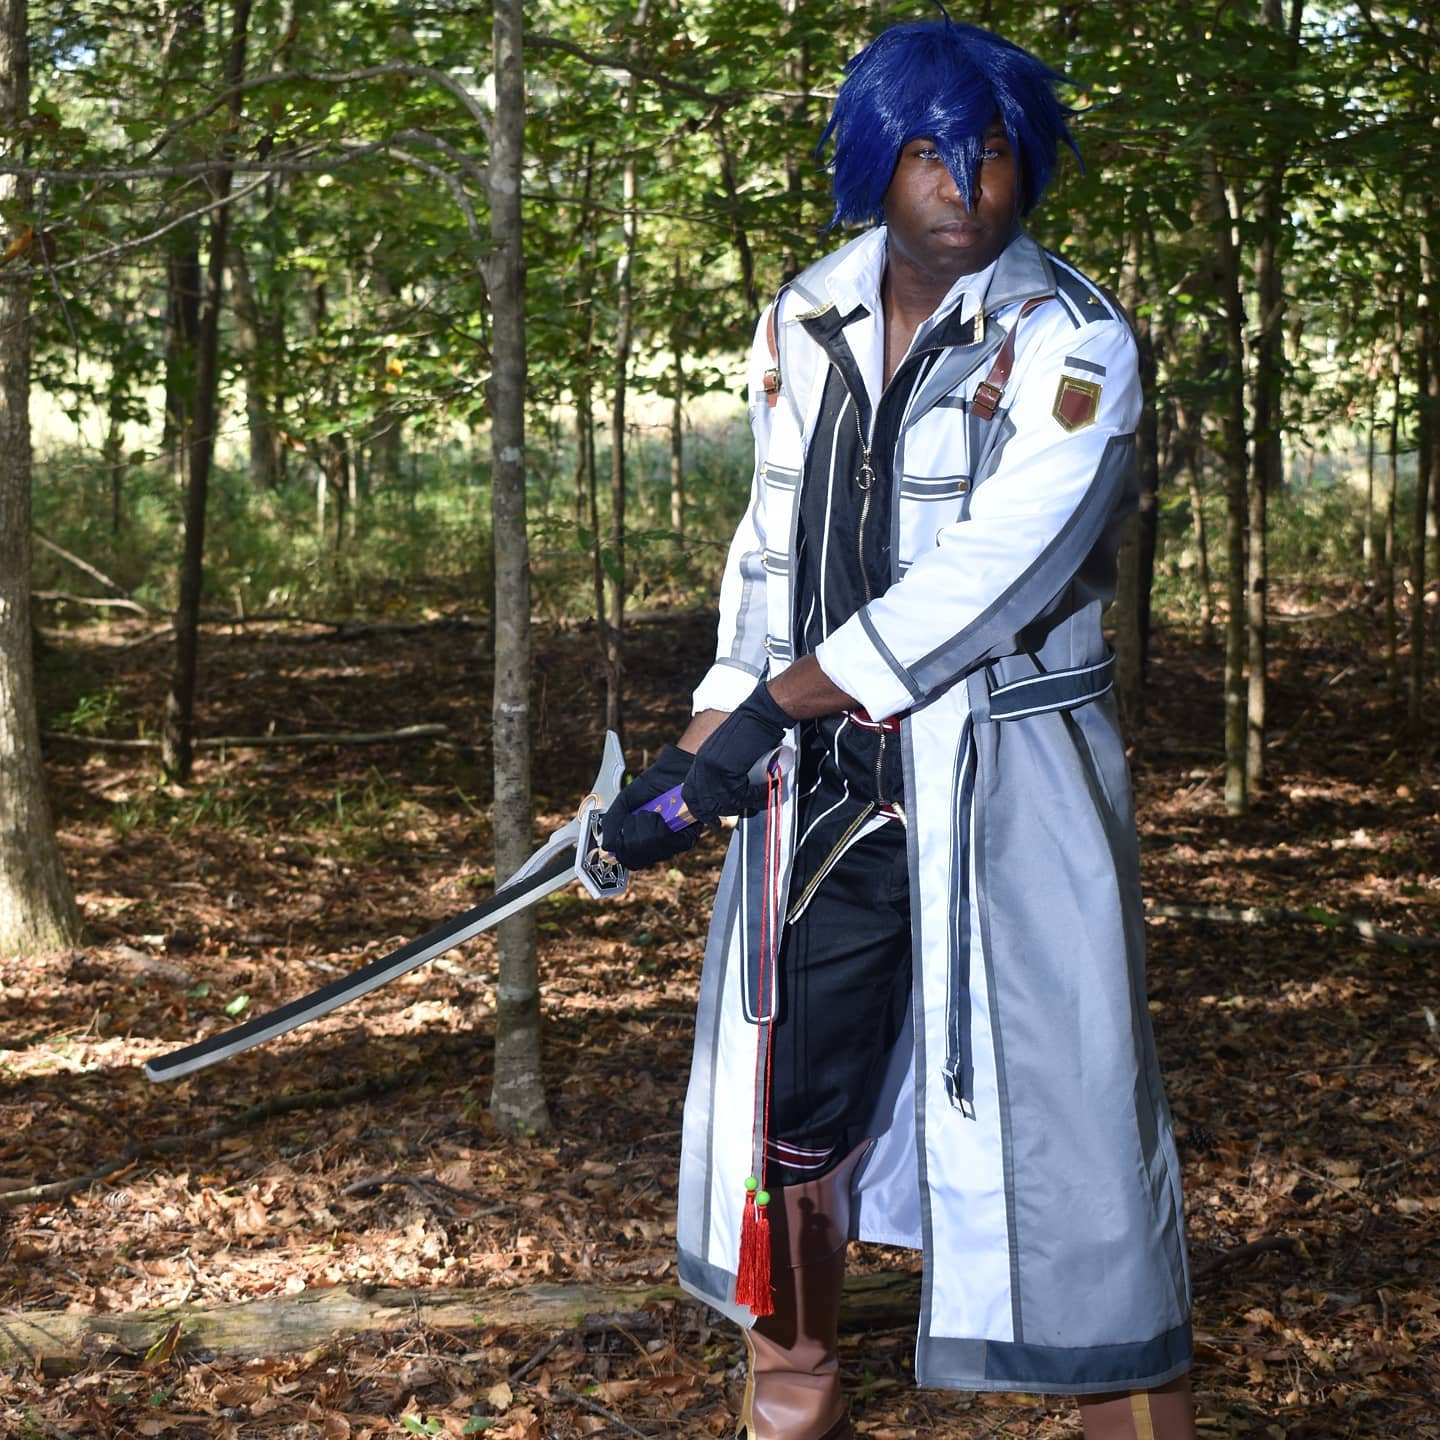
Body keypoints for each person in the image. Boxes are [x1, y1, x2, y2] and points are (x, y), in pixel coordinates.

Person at [603, 18, 1195, 1440]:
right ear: (877, 163)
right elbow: (770, 540)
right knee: (787, 1111)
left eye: (991, 154)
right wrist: (709, 725)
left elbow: (999, 571)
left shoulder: (1074, 340)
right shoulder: (804, 316)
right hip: (831, 793)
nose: (963, 185)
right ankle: (792, 1392)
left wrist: (775, 703)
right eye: (929, 152)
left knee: (1072, 1130)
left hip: (1011, 782)